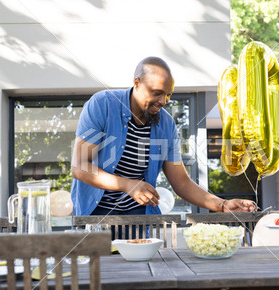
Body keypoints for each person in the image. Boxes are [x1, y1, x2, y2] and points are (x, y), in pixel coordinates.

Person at [70, 56, 255, 217]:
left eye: (168, 95)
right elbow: (79, 166)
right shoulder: (102, 105)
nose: (163, 101)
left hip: (139, 216)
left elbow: (181, 182)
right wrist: (127, 185)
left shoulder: (166, 125)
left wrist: (222, 205)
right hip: (95, 214)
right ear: (137, 83)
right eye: (157, 93)